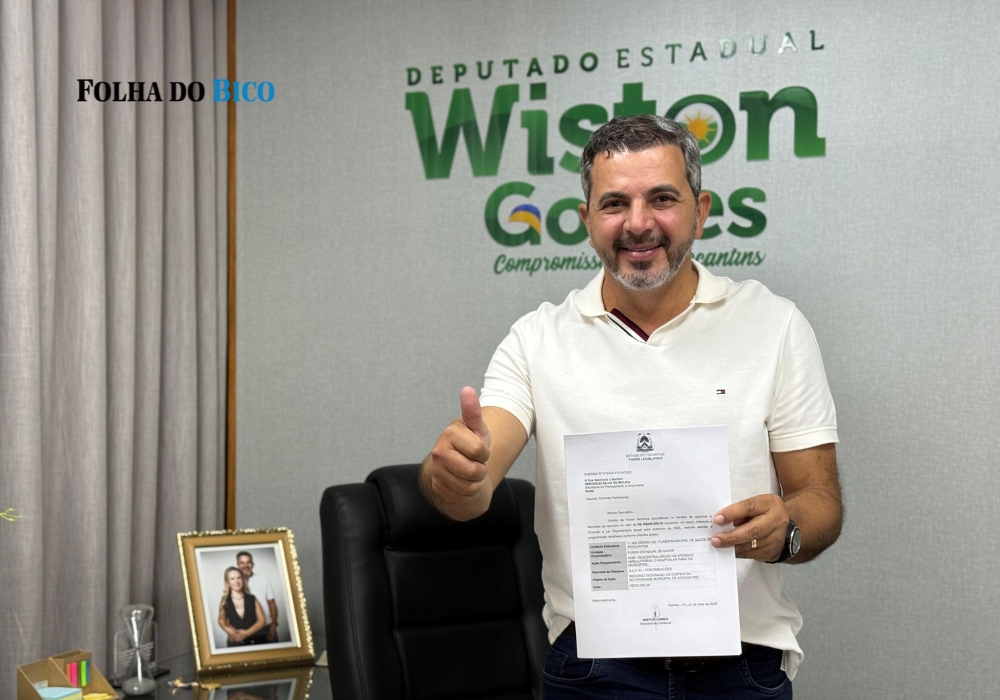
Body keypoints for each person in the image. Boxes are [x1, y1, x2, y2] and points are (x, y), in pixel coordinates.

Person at [420, 114, 843, 699]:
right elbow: (473, 479)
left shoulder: (774, 325)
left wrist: (785, 531)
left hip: (741, 666)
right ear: (586, 220)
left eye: (662, 199)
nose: (638, 223)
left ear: (701, 210)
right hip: (594, 670)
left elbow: (820, 499)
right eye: (614, 203)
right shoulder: (537, 340)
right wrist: (456, 478)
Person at [217, 566, 268, 647]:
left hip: (255, 641)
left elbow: (262, 621)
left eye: (239, 578)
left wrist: (246, 633)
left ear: (243, 580)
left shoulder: (252, 599)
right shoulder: (224, 601)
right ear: (227, 581)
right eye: (232, 579)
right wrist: (227, 630)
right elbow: (221, 620)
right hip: (235, 642)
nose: (236, 582)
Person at [237, 550, 279, 642]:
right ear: (238, 565)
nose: (246, 566)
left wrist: (273, 624)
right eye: (242, 563)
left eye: (248, 562)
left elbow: (272, 603)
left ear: (252, 564)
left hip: (266, 629)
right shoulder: (235, 583)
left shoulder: (263, 580)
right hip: (245, 630)